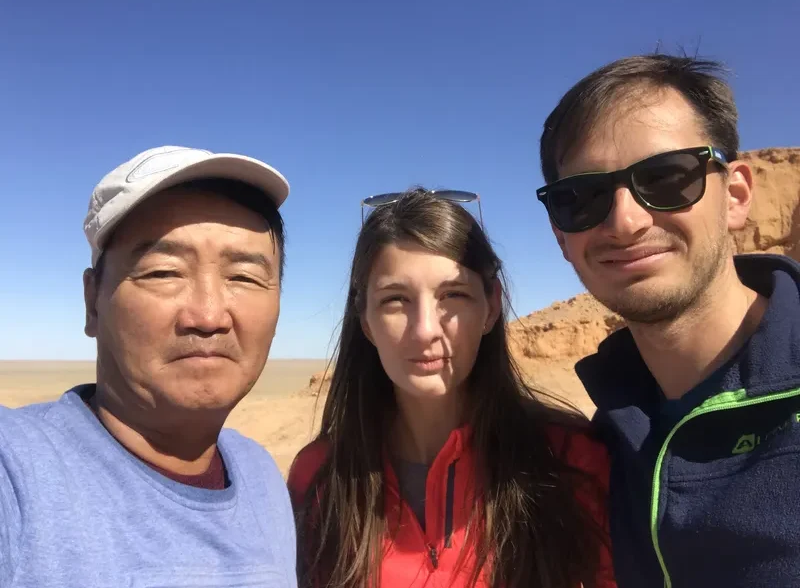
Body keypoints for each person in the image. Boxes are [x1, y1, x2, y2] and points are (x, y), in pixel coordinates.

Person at [536, 53, 800, 588]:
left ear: (736, 195)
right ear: (562, 238)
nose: (625, 222)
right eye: (581, 198)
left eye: (665, 176)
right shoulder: (603, 442)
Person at [0, 146, 298, 587]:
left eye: (244, 277)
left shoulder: (263, 480)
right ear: (92, 302)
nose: (209, 316)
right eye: (163, 272)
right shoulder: (18, 479)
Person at [288, 188, 615, 588]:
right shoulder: (319, 477)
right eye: (395, 300)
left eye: (454, 295)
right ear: (366, 321)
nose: (426, 330)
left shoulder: (568, 459)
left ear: (491, 306)